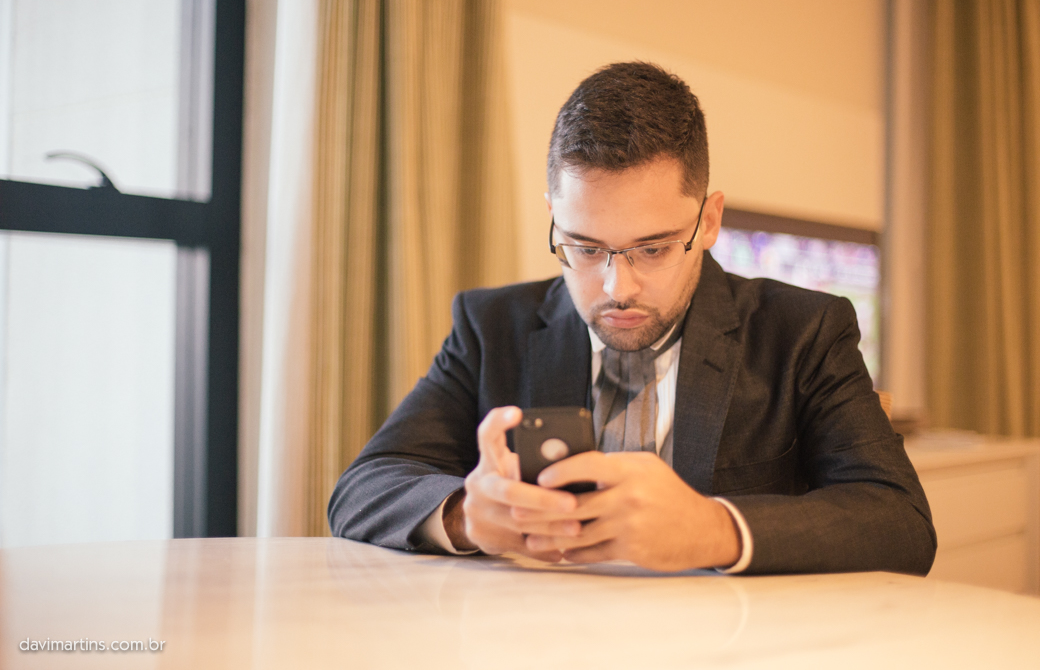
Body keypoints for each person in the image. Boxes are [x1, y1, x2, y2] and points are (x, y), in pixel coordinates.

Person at [328, 62, 936, 575]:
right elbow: (363, 487)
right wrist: (465, 514)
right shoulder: (491, 326)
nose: (618, 288)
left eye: (653, 248)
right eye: (585, 248)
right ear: (552, 216)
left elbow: (901, 521)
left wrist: (715, 528)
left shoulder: (804, 331)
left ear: (710, 219)